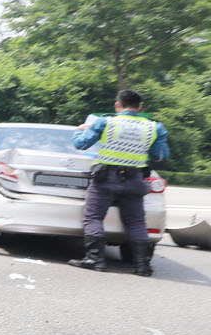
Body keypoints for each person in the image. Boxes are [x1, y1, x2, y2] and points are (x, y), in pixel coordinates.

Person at [67, 88, 170, 276]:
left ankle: (95, 260)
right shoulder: (154, 127)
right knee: (136, 222)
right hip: (135, 179)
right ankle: (142, 266)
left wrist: (79, 131)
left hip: (106, 178)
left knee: (93, 217)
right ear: (140, 107)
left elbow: (80, 144)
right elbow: (160, 155)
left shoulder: (106, 122)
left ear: (117, 105)